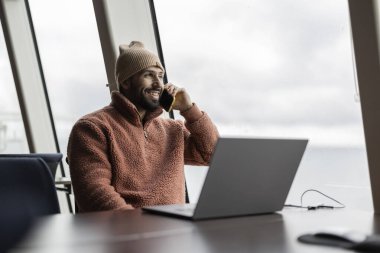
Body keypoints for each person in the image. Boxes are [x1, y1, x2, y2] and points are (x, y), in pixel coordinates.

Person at [67, 41, 219, 212]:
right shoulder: (92, 128)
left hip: (173, 230)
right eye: (148, 75)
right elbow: (95, 195)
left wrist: (189, 109)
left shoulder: (173, 130)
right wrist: (141, 231)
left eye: (160, 76)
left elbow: (212, 155)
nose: (158, 84)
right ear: (125, 82)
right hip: (127, 233)